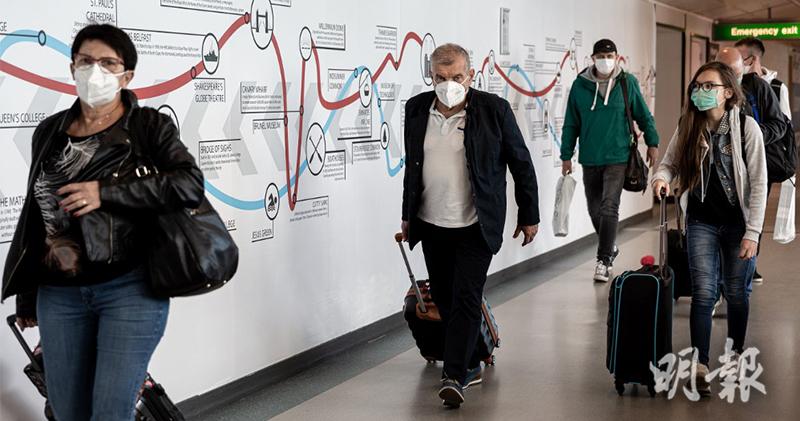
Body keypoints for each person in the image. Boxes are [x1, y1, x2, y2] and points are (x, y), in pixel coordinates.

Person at [1, 24, 204, 420]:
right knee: (67, 412)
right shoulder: (50, 131)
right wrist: (28, 292)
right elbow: (39, 213)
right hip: (59, 293)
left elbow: (188, 184)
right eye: (86, 61)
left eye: (108, 63)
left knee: (111, 412)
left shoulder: (148, 127)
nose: (95, 71)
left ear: (127, 75)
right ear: (72, 67)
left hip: (129, 288)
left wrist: (106, 193)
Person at [400, 43, 540, 408]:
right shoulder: (416, 110)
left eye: (457, 77)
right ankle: (472, 360)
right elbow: (412, 169)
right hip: (432, 223)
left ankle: (453, 376)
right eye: (441, 77)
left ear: (471, 76)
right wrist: (407, 216)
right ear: (431, 76)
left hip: (476, 224)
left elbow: (521, 163)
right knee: (446, 298)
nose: (449, 84)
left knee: (465, 297)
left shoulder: (494, 110)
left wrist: (529, 214)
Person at [652, 61, 767, 397]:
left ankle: (734, 356)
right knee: (703, 293)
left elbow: (759, 183)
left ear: (728, 92)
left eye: (708, 86)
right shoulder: (689, 125)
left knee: (736, 292)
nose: (699, 92)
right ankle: (699, 366)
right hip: (701, 221)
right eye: (697, 86)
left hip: (738, 223)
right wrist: (661, 178)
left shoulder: (746, 128)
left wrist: (753, 232)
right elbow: (670, 163)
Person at [561, 38, 659, 282]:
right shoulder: (579, 86)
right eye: (601, 57)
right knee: (594, 209)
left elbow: (643, 115)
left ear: (616, 57)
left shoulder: (627, 82)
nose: (605, 61)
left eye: (610, 56)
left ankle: (603, 260)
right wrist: (566, 155)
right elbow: (571, 123)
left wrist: (653, 142)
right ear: (593, 59)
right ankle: (610, 246)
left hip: (618, 156)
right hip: (590, 157)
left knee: (609, 206)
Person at [716, 47, 788, 286]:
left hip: (754, 166)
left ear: (743, 68)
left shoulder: (758, 88)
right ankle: (719, 278)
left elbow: (779, 124)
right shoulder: (709, 88)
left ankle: (747, 266)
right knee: (719, 221)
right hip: (719, 169)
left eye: (732, 70)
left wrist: (751, 136)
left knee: (750, 217)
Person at [736, 37, 792, 120]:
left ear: (753, 59)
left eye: (739, 59)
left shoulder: (777, 88)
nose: (736, 63)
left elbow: (785, 124)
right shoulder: (736, 83)